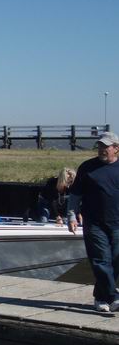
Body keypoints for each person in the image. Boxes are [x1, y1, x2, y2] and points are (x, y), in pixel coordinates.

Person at [67, 132, 119, 312]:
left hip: (117, 223)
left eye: (105, 146)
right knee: (101, 260)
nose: (101, 149)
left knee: (115, 260)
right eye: (100, 146)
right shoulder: (87, 167)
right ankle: (113, 297)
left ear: (116, 148)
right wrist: (72, 216)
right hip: (94, 223)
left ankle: (100, 297)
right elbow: (75, 195)